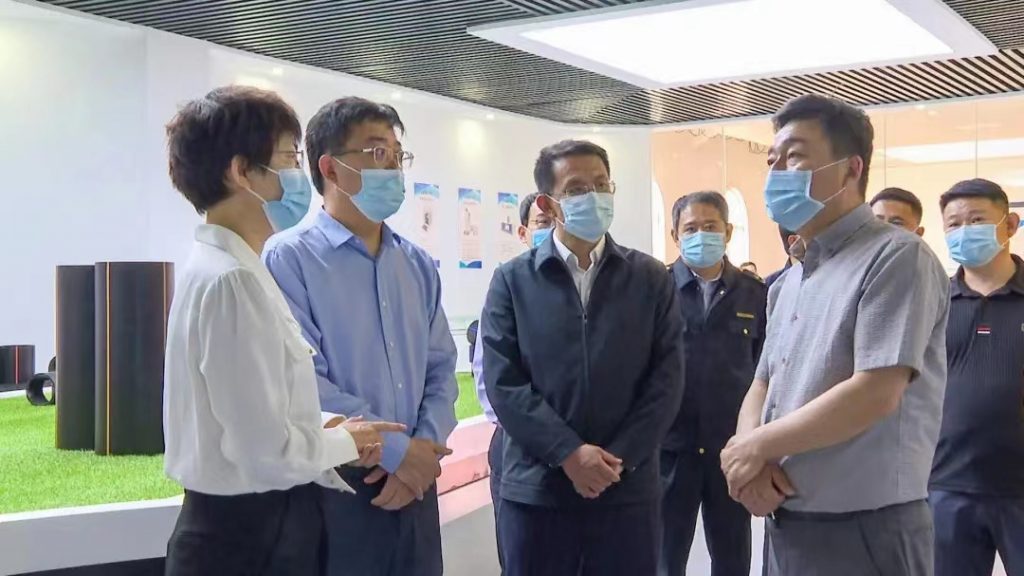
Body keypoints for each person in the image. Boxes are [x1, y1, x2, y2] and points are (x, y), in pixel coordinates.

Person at [162, 86, 404, 575]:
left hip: (254, 527)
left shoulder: (233, 267)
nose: (298, 176)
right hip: (248, 537)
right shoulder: (231, 281)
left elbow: (254, 413)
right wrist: (349, 441)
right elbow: (264, 454)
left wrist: (323, 425)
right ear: (241, 172)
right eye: (289, 159)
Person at [721, 94, 949, 576]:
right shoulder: (787, 282)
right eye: (772, 160)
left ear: (851, 169)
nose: (777, 172)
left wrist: (756, 448)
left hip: (866, 526)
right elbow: (763, 382)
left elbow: (875, 391)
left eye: (795, 156)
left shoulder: (895, 257)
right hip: (787, 519)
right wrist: (748, 458)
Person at [263, 97, 458, 576]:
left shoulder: (416, 264)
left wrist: (423, 451)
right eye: (377, 153)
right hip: (339, 485)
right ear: (330, 167)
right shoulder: (289, 259)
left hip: (418, 484)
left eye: (397, 154)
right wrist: (398, 454)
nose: (392, 167)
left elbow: (441, 368)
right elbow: (304, 380)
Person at [481, 139, 685, 576]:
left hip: (626, 491)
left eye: (601, 184)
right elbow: (504, 382)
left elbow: (667, 379)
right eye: (576, 189)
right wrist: (568, 454)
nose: (593, 197)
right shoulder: (512, 281)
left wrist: (617, 459)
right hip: (538, 493)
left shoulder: (649, 278)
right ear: (547, 203)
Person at [660, 191, 767, 576]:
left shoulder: (755, 294)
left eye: (710, 227)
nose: (700, 235)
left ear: (728, 232)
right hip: (670, 451)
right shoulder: (656, 290)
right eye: (690, 228)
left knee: (732, 558)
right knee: (663, 558)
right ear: (675, 235)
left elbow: (765, 373)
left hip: (732, 451)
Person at [930, 178, 1024, 576]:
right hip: (948, 484)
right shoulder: (934, 302)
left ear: (1010, 225)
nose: (964, 231)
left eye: (977, 220)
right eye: (954, 224)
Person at [470, 191, 553, 570]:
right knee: (521, 557)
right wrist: (537, 432)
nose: (552, 230)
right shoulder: (507, 285)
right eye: (542, 223)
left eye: (557, 221)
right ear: (523, 232)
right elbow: (489, 379)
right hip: (516, 445)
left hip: (581, 448)